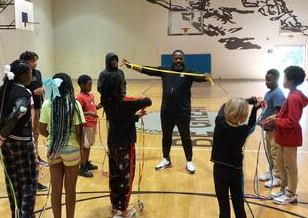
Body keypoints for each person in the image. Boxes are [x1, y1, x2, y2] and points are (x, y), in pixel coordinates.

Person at [123, 50, 209, 174]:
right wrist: (132, 66)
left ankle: (189, 161)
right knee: (166, 136)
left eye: (180, 58)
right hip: (167, 111)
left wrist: (206, 76)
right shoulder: (165, 70)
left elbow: (200, 77)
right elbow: (149, 70)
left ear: (183, 59)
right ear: (172, 59)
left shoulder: (189, 72)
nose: (178, 61)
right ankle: (166, 159)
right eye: (176, 58)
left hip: (183, 111)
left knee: (185, 137)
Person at [0, 60, 38, 218]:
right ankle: (26, 215)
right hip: (20, 141)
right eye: (29, 73)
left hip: (5, 143)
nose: (31, 75)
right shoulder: (25, 93)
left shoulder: (0, 90)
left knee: (12, 179)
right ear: (21, 75)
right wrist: (2, 134)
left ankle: (17, 213)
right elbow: (16, 114)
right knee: (29, 181)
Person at [100, 72, 151, 218]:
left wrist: (135, 117)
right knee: (125, 177)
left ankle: (116, 205)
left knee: (115, 175)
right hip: (125, 145)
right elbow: (148, 101)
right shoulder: (127, 103)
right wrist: (138, 98)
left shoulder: (107, 103)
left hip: (113, 144)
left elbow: (120, 119)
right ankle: (123, 211)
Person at [39, 73, 85, 218]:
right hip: (71, 149)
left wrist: (54, 138)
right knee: (70, 189)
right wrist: (82, 150)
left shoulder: (47, 103)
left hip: (53, 149)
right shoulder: (74, 104)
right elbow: (79, 132)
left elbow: (41, 130)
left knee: (56, 189)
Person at [264, 66, 308, 205]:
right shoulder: (291, 94)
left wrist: (275, 120)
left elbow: (292, 121)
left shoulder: (294, 98)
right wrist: (275, 116)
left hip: (290, 137)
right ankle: (284, 189)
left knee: (290, 166)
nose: (282, 80)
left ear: (290, 81)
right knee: (281, 164)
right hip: (283, 136)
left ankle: (291, 194)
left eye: (284, 78)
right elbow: (286, 114)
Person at [211, 97, 261, 218]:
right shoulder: (243, 131)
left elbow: (224, 105)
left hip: (219, 171)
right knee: (239, 206)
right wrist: (254, 108)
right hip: (235, 172)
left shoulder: (219, 122)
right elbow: (251, 125)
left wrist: (246, 101)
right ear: (244, 115)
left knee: (224, 208)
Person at [20, 51, 48, 192]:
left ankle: (36, 155)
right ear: (25, 61)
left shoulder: (37, 73)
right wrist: (33, 92)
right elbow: (21, 91)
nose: (35, 63)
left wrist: (42, 92)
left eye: (35, 60)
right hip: (27, 109)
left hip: (37, 107)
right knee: (29, 136)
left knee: (35, 135)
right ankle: (32, 159)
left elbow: (39, 88)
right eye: (32, 60)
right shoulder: (21, 75)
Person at [258, 69, 285, 188]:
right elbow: (266, 109)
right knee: (269, 152)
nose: (266, 82)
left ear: (276, 80)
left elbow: (278, 112)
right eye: (266, 79)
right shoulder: (269, 93)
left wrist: (270, 122)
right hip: (267, 129)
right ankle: (271, 171)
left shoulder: (278, 94)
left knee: (275, 153)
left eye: (269, 80)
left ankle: (278, 177)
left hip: (274, 130)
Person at [76, 75, 102, 177]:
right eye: (88, 85)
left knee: (89, 145)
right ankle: (82, 167)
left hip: (92, 124)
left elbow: (93, 108)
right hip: (85, 125)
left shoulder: (91, 96)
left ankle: (86, 162)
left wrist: (101, 105)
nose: (90, 87)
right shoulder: (79, 97)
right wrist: (89, 114)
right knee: (84, 146)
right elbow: (78, 112)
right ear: (82, 85)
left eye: (91, 84)